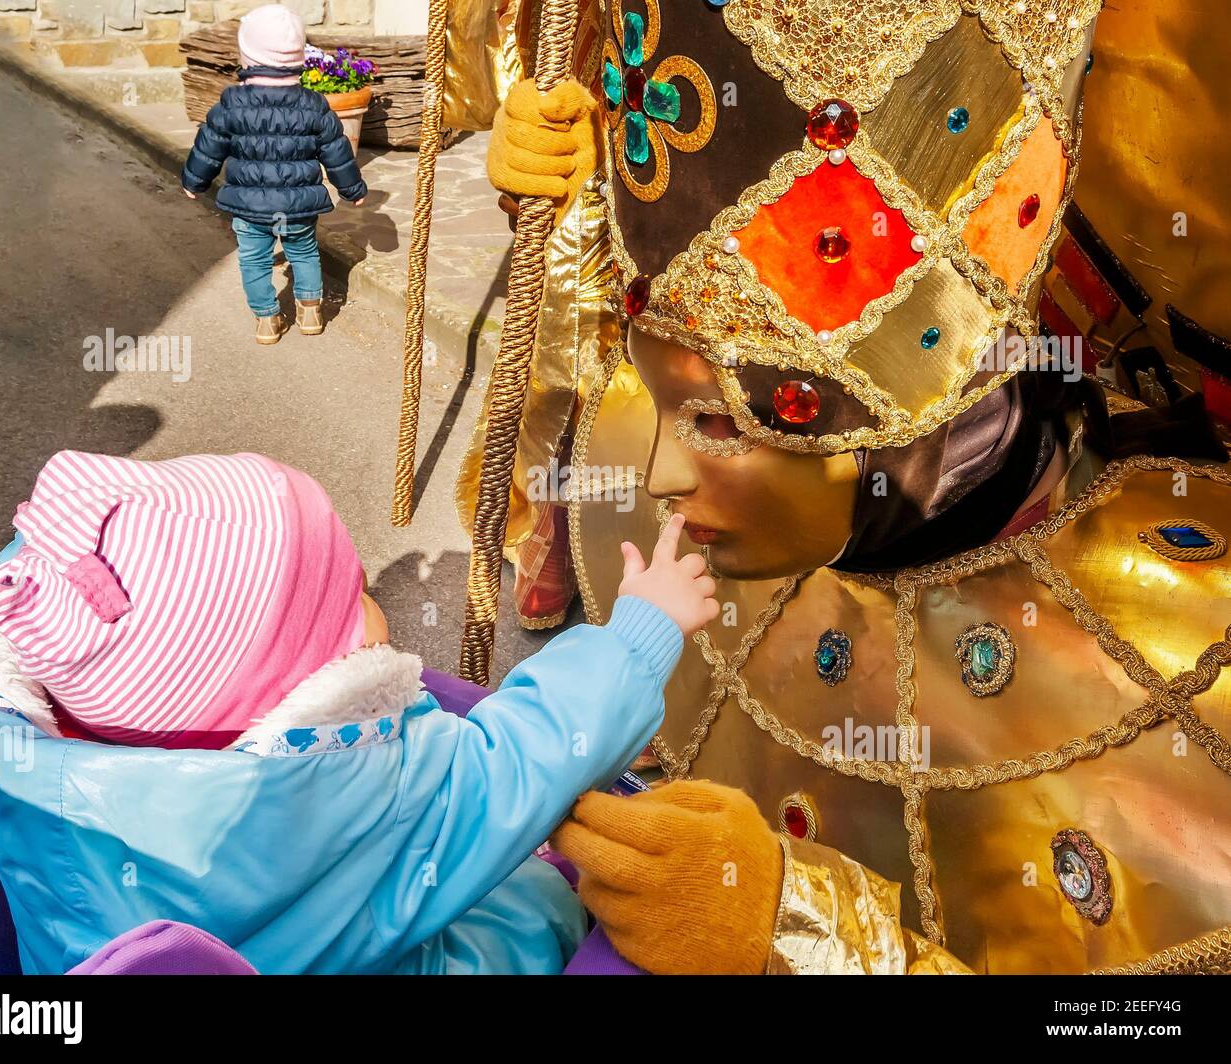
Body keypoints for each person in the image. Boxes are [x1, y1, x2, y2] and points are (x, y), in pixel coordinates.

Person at [485, 1, 1231, 973]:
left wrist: (798, 934)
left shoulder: (1188, 666)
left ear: (890, 432)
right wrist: (569, 191)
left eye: (719, 421)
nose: (659, 476)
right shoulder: (730, 536)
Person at [0, 450, 717, 974]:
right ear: (270, 716)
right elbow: (516, 761)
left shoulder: (21, 744)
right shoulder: (355, 789)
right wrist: (639, 636)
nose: (373, 608)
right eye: (346, 609)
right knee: (536, 903)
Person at [180, 4, 366, 345]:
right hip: (298, 206)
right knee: (304, 251)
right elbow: (336, 150)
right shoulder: (313, 103)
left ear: (247, 56)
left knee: (254, 260)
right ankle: (310, 311)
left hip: (250, 207)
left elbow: (209, 146)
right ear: (297, 57)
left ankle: (267, 319)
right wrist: (352, 189)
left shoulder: (232, 103)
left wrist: (195, 181)